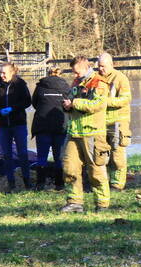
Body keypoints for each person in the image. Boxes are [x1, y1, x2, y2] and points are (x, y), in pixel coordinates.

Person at [60, 55, 111, 212]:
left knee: (96, 170)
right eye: (73, 73)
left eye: (76, 72)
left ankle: (102, 204)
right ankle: (74, 202)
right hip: (74, 132)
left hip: (93, 134)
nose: (74, 76)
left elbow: (98, 104)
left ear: (85, 68)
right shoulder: (76, 83)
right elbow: (69, 99)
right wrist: (66, 106)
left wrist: (74, 103)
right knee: (70, 168)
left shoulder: (99, 83)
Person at [0, 62, 32, 191]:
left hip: (18, 123)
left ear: (12, 72)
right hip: (3, 125)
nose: (1, 75)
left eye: (4, 73)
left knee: (22, 153)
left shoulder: (20, 84)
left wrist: (13, 108)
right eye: (0, 73)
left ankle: (27, 182)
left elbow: (27, 101)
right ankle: (11, 183)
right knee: (6, 154)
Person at [31, 63, 71, 189]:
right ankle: (59, 184)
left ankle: (40, 184)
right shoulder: (66, 87)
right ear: (60, 74)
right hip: (60, 125)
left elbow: (35, 104)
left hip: (42, 125)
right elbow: (70, 105)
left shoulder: (40, 86)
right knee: (59, 157)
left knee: (41, 156)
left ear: (48, 73)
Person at [97, 52, 132, 190]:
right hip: (100, 122)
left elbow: (125, 99)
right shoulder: (96, 78)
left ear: (112, 64)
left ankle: (117, 184)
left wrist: (105, 102)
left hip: (118, 121)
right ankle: (103, 181)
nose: (101, 69)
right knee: (102, 154)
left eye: (103, 66)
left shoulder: (120, 78)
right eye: (99, 66)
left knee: (117, 155)